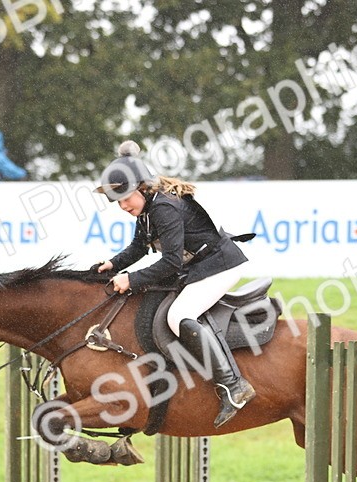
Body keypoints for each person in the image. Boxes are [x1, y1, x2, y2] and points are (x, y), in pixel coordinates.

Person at [95, 140, 255, 428]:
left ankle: (234, 385)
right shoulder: (148, 210)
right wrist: (113, 264)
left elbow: (171, 263)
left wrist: (131, 279)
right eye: (118, 202)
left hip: (222, 266)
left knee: (179, 316)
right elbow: (139, 247)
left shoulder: (164, 208)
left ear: (142, 188)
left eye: (125, 198)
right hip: (201, 266)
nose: (123, 206)